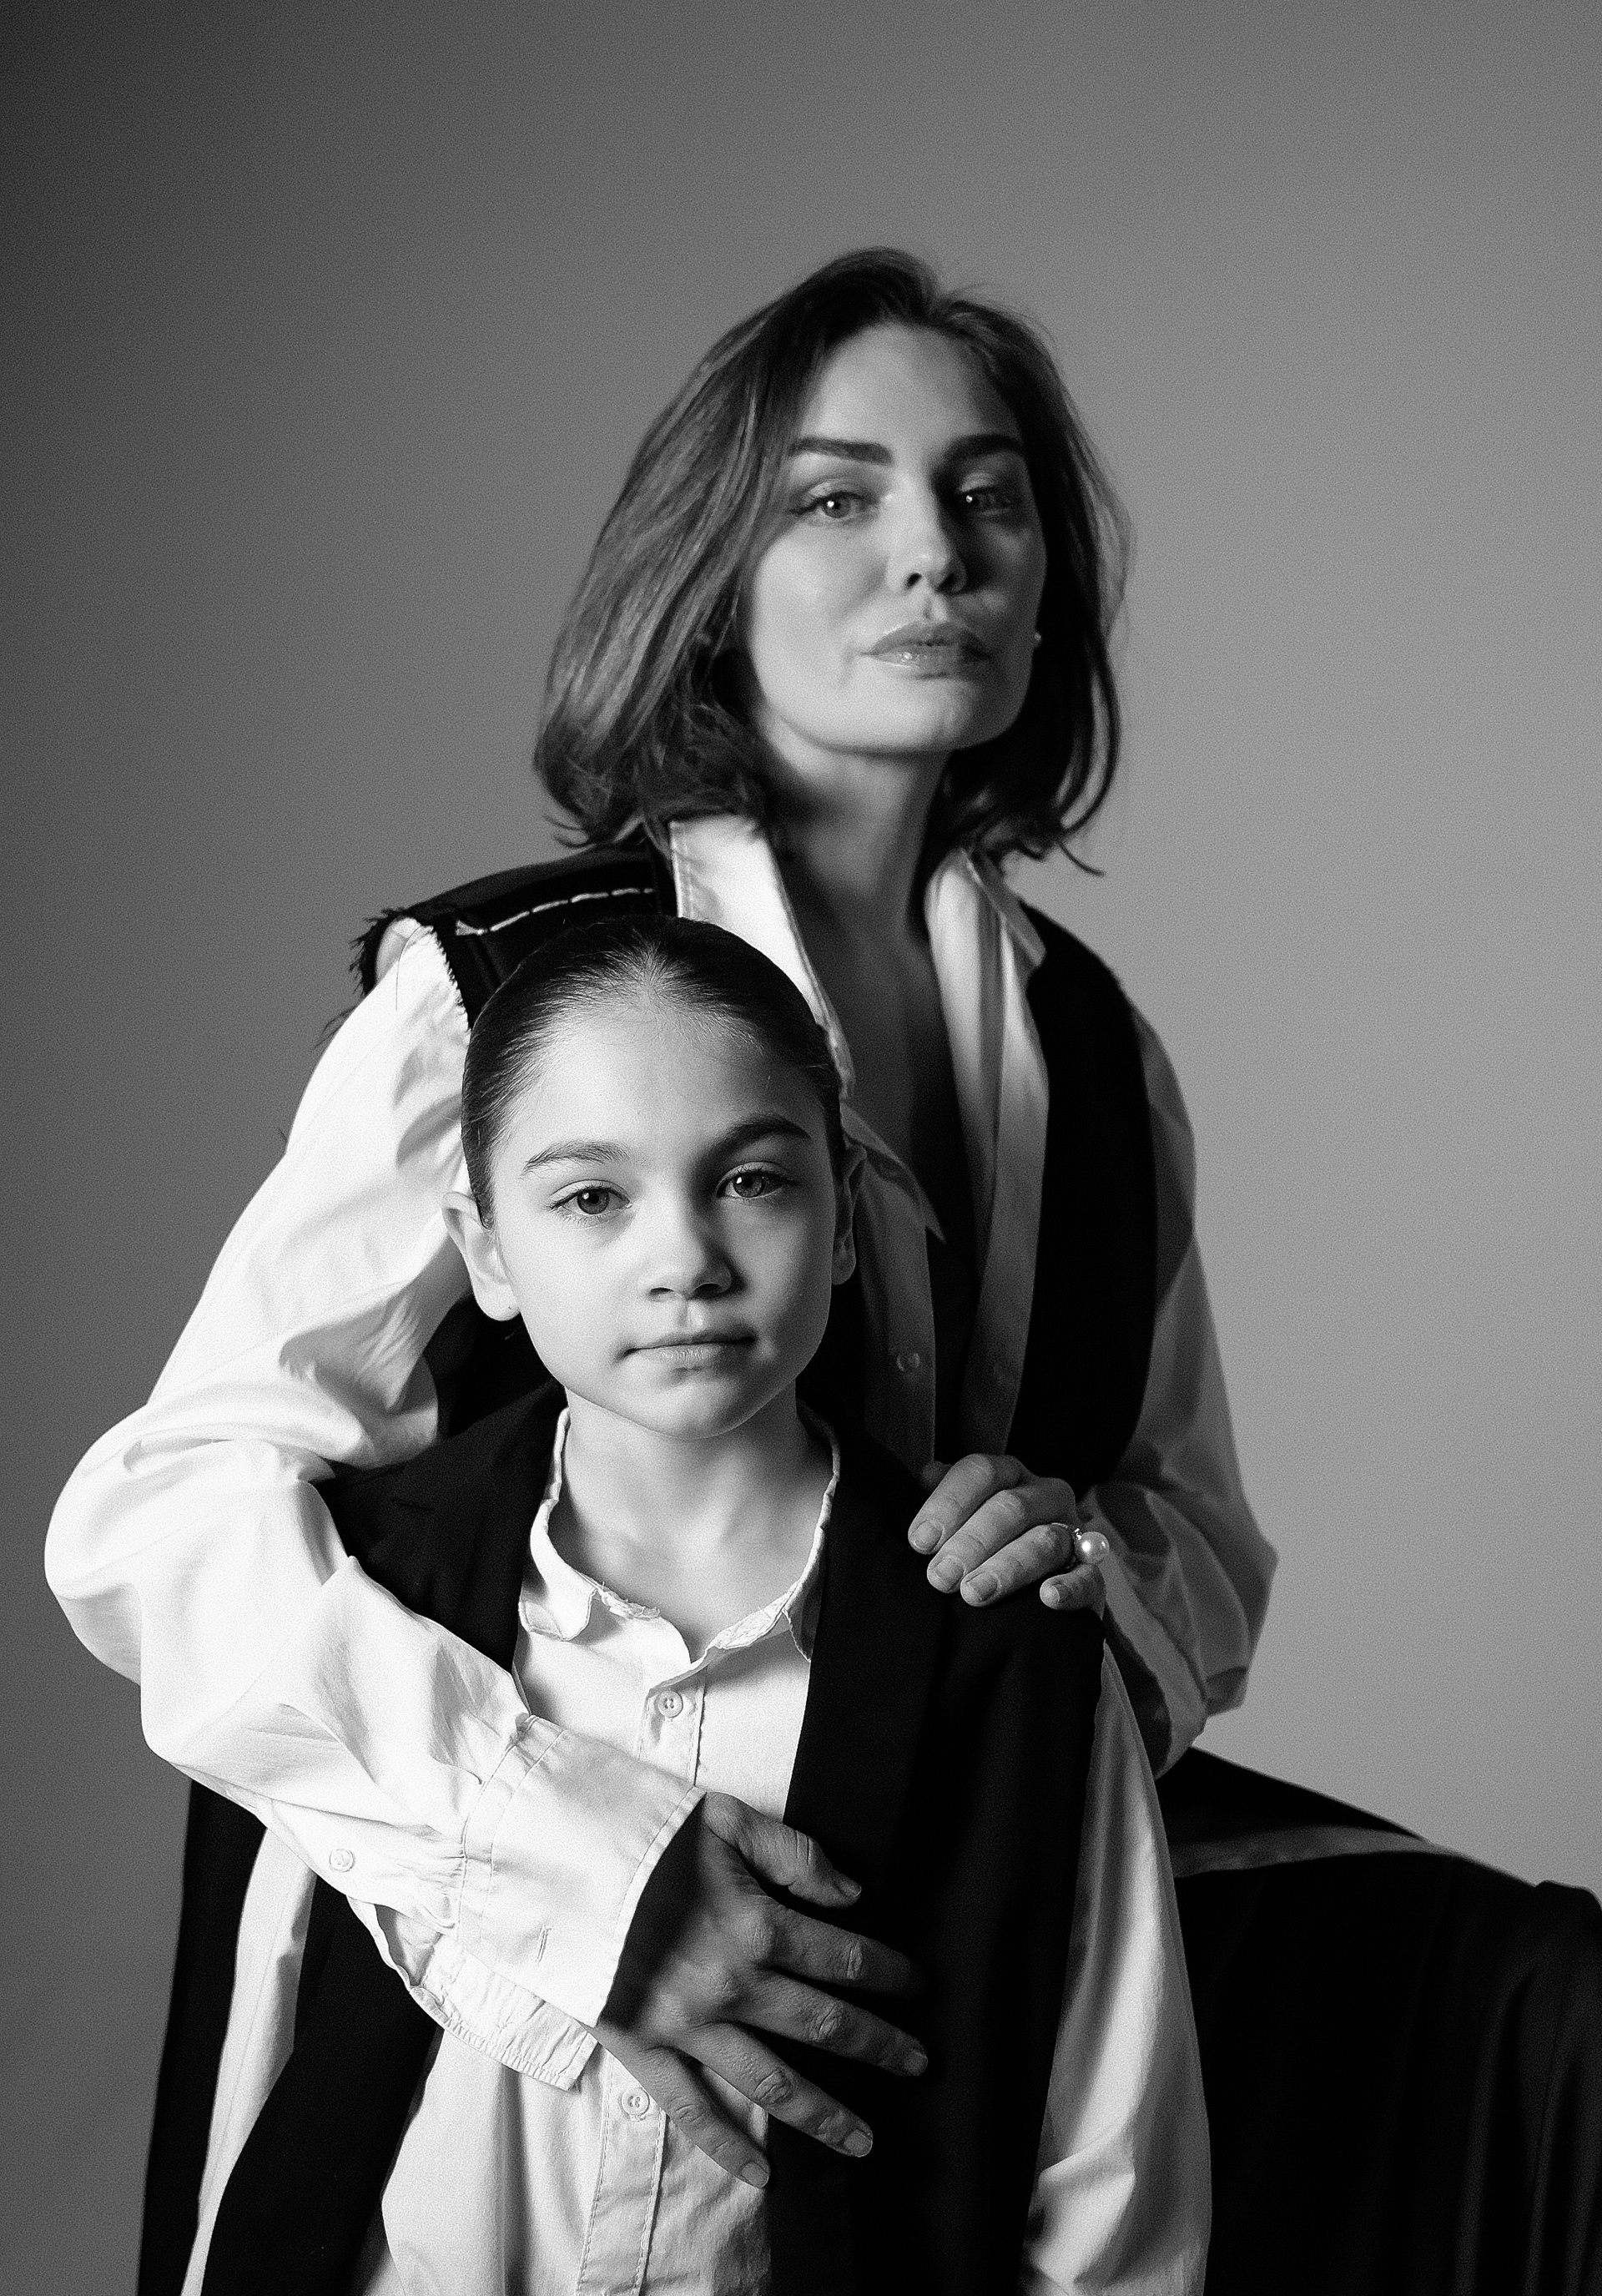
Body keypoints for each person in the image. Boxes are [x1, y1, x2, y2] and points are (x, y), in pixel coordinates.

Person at [46, 248, 1274, 2196]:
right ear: (712, 580)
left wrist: (1087, 1560)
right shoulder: (510, 992)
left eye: (988, 495)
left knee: (1513, 2017)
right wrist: (596, 1877)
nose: (934, 553)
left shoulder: (1099, 1054)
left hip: (929, 1951)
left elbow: (1198, 1545)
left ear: (1048, 581)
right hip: (525, 1985)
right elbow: (165, 1521)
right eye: (837, 499)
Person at [136, 916, 1207, 2296]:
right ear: (485, 1252)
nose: (684, 1257)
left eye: (755, 1181)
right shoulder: (363, 1615)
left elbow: (1109, 2179)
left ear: (844, 1226)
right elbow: (258, 2096)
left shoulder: (1009, 1656)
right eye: (590, 1199)